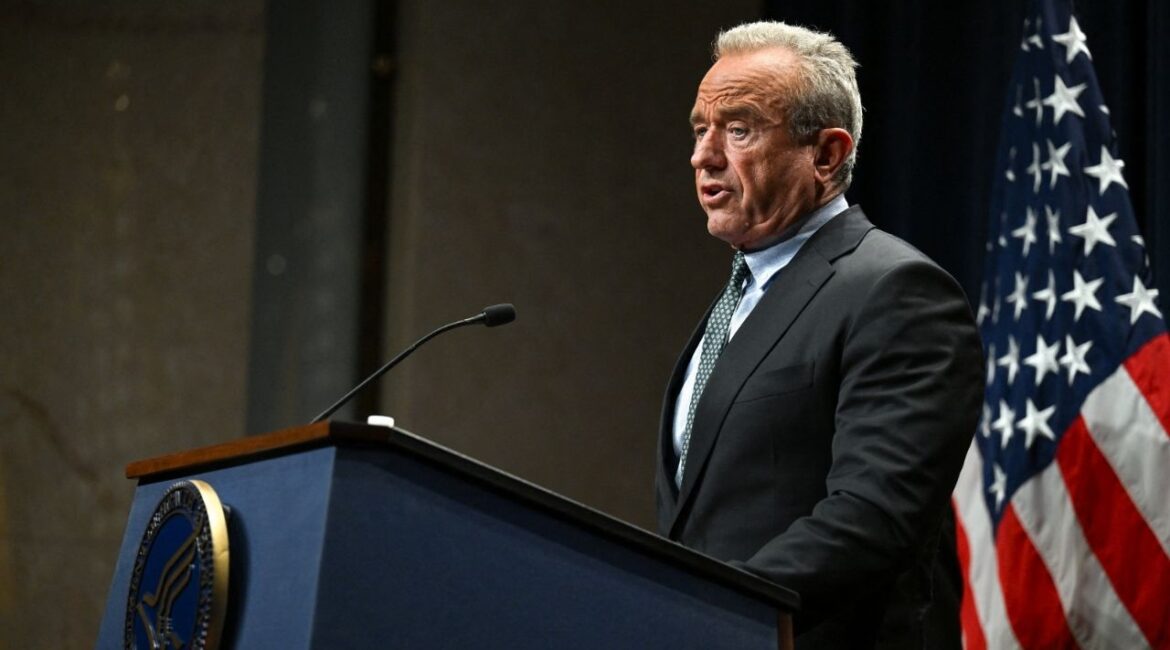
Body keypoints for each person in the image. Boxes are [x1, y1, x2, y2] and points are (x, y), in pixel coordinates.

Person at [655, 21, 983, 649]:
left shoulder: (897, 291)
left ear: (826, 155)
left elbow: (873, 515)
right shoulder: (741, 296)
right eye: (700, 130)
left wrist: (718, 614)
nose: (703, 156)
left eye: (739, 129)